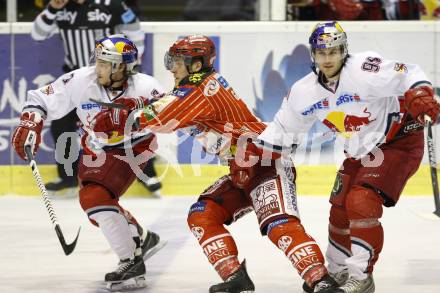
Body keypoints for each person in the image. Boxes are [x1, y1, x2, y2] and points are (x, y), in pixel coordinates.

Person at [92, 34, 340, 293]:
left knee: (279, 224)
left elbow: (162, 115)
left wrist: (120, 117)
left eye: (177, 61)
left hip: (266, 164)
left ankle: (321, 280)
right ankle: (236, 278)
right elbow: (168, 108)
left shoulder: (200, 90)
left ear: (196, 65)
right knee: (202, 215)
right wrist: (133, 110)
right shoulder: (197, 88)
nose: (171, 67)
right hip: (243, 169)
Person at [255, 21, 440, 293]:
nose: (327, 58)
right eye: (321, 52)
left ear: (344, 50)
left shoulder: (365, 69)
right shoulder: (304, 91)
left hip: (398, 141)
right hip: (361, 150)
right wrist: (256, 152)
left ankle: (361, 276)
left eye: (333, 51)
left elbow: (408, 73)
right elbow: (283, 130)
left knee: (361, 201)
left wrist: (421, 93)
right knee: (340, 209)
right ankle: (339, 270)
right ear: (313, 54)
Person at [12, 35, 166, 291]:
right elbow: (41, 98)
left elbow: (172, 115)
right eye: (99, 61)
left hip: (134, 148)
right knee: (97, 206)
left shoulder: (146, 87)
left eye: (106, 63)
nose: (99, 68)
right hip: (95, 148)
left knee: (95, 198)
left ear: (122, 67)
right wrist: (31, 121)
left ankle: (131, 261)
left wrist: (135, 118)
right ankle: (142, 237)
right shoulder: (81, 79)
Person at [31, 0, 162, 196]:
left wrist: (132, 63)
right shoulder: (61, 7)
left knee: (128, 125)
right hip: (77, 82)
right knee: (61, 125)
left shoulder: (111, 4)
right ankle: (68, 176)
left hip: (110, 80)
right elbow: (37, 34)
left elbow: (135, 29)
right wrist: (52, 9)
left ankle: (145, 173)